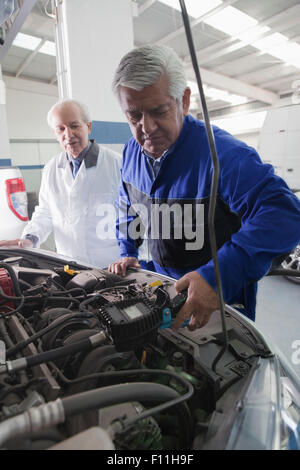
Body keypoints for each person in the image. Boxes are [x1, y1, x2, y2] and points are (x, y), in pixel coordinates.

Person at [108, 44, 300, 330]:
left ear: (184, 101)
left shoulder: (223, 155)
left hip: (219, 301)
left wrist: (217, 277)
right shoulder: (131, 153)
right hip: (165, 287)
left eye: (158, 111)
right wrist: (128, 249)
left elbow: (284, 216)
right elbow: (128, 204)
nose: (146, 128)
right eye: (133, 115)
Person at [0, 99, 121, 268]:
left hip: (111, 266)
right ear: (55, 133)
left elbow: (134, 214)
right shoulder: (51, 168)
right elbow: (45, 212)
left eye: (74, 125)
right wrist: (30, 239)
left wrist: (134, 255)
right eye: (61, 129)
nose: (68, 134)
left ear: (89, 126)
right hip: (68, 265)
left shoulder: (116, 164)